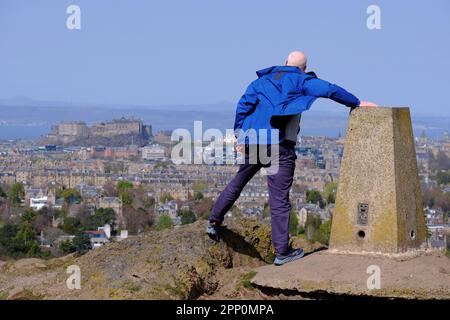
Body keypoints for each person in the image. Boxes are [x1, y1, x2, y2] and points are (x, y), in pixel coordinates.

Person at [207, 51, 377, 266]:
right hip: (279, 145)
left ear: (284, 62)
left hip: (255, 141)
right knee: (279, 200)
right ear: (304, 68)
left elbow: (243, 106)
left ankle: (214, 221)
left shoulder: (261, 81)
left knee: (238, 182)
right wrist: (356, 102)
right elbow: (330, 90)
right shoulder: (302, 80)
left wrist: (239, 135)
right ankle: (282, 252)